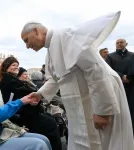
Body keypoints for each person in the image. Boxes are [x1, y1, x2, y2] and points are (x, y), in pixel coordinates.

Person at [20, 11, 134, 150]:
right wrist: (39, 94)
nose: (27, 46)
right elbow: (55, 80)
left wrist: (103, 111)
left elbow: (96, 70)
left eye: (26, 40)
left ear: (36, 31)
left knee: (104, 142)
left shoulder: (66, 36)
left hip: (99, 100)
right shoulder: (50, 50)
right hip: (79, 106)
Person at [0, 56, 62, 150]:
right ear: (6, 67)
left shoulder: (11, 80)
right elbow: (24, 93)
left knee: (50, 119)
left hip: (22, 113)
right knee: (50, 124)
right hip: (19, 116)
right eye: (13, 65)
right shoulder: (9, 81)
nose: (16, 67)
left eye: (17, 65)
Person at [106, 39, 134, 132]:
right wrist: (122, 76)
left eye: (121, 42)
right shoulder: (110, 56)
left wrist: (129, 77)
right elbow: (108, 70)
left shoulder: (132, 55)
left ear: (126, 43)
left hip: (131, 86)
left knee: (131, 108)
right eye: (117, 42)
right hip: (117, 85)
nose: (119, 44)